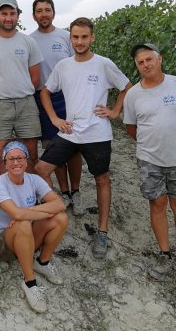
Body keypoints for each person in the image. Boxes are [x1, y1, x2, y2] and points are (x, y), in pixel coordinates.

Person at [35, 17, 132, 260]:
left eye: (84, 37)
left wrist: (115, 111)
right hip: (70, 131)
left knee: (102, 180)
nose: (79, 41)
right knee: (40, 168)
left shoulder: (103, 64)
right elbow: (45, 92)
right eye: (75, 37)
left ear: (92, 38)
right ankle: (57, 208)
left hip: (97, 132)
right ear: (71, 39)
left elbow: (127, 86)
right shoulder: (64, 66)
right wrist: (55, 119)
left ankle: (102, 232)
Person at [123, 43, 176, 282]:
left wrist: (173, 138)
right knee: (157, 204)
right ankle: (165, 254)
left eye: (149, 59)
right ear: (137, 66)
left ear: (159, 59)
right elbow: (131, 129)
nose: (146, 65)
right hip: (149, 159)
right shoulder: (133, 95)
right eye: (140, 62)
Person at [0, 141, 68, 313]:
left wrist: (28, 211)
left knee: (60, 218)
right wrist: (38, 212)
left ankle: (42, 262)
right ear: (5, 163)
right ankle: (30, 283)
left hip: (26, 237)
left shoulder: (34, 180)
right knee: (22, 223)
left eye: (20, 158)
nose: (16, 163)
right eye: (11, 159)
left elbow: (59, 204)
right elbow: (17, 215)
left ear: (27, 160)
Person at [0, 0, 43, 176]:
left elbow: (35, 78)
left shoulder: (28, 42)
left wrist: (20, 91)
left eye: (12, 13)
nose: (8, 18)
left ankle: (28, 195)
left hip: (26, 104)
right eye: (4, 13)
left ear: (18, 16)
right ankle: (3, 199)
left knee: (30, 155)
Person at [30, 0, 83, 208]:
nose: (44, 14)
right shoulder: (29, 40)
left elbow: (77, 65)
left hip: (67, 97)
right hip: (43, 98)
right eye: (39, 10)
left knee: (74, 147)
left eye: (47, 10)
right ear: (34, 15)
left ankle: (77, 191)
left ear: (53, 12)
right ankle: (65, 192)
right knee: (54, 147)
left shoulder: (65, 37)